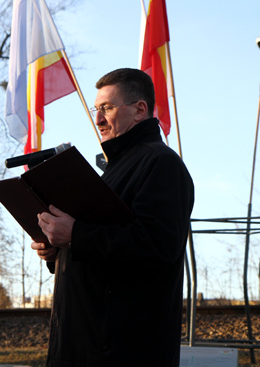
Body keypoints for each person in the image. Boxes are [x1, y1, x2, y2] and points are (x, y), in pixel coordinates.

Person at [31, 68, 194, 366]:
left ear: (139, 110)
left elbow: (157, 246)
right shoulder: (113, 170)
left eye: (106, 108)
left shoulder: (161, 163)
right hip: (79, 340)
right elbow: (99, 245)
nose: (98, 119)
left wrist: (76, 235)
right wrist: (57, 251)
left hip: (122, 349)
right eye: (97, 109)